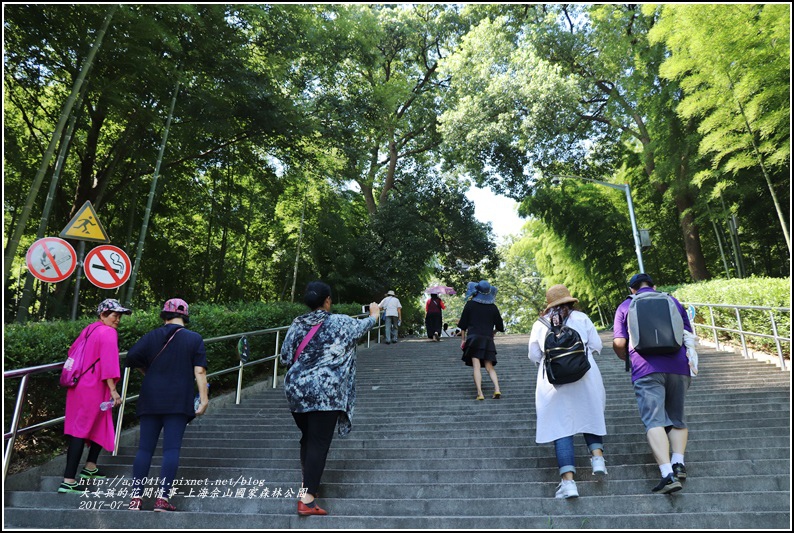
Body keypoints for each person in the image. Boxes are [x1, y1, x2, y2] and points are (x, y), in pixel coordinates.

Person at [280, 281, 380, 516]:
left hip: (297, 392)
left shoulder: (297, 324)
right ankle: (307, 498)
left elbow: (285, 356)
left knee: (308, 438)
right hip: (326, 394)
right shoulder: (341, 322)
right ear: (327, 301)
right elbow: (364, 325)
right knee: (318, 442)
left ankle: (308, 483)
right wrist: (375, 314)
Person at [613, 273, 693, 495]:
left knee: (654, 420)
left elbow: (619, 342)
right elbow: (688, 333)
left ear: (632, 290)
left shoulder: (625, 306)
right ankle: (679, 462)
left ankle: (667, 474)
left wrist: (626, 357)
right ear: (654, 286)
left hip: (646, 367)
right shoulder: (672, 300)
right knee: (677, 417)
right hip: (678, 366)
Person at [125, 298, 208, 512]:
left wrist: (148, 372)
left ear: (165, 315)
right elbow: (199, 371)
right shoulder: (194, 339)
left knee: (145, 448)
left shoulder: (151, 336)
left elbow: (132, 357)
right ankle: (162, 499)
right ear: (185, 316)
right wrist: (204, 398)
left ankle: (136, 498)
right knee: (171, 449)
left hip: (151, 396)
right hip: (178, 399)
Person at [528, 285, 607, 499]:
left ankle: (569, 483)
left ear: (549, 304)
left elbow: (534, 355)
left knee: (560, 427)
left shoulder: (540, 324)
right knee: (589, 413)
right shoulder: (581, 318)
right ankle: (597, 457)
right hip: (585, 373)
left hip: (553, 380)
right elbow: (597, 345)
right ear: (570, 300)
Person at [59, 299, 130, 493]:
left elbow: (72, 351)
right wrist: (114, 390)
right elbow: (109, 364)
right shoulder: (108, 332)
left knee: (100, 421)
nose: (118, 320)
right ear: (103, 314)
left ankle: (90, 466)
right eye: (115, 315)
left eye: (119, 316)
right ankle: (69, 480)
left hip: (79, 386)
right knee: (80, 431)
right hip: (94, 388)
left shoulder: (90, 329)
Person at [459, 280, 504, 400]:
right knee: (489, 367)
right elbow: (500, 326)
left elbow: (463, 324)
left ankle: (480, 393)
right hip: (488, 339)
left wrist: (463, 340)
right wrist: (493, 332)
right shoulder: (493, 307)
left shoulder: (470, 305)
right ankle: (497, 389)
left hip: (473, 338)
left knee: (476, 366)